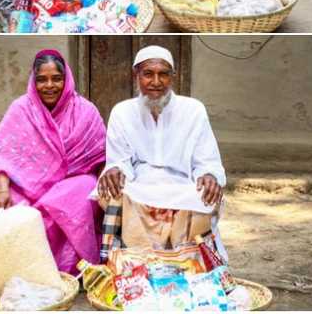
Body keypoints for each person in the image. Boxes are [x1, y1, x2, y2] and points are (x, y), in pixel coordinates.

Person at [0, 50, 106, 274]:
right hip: (27, 186)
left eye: (56, 79)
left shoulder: (85, 111)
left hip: (70, 185)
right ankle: (8, 269)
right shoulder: (21, 108)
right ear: (33, 81)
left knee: (82, 190)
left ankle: (65, 270)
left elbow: (102, 157)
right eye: (41, 79)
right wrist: (1, 190)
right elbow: (3, 153)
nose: (49, 85)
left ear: (67, 80)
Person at [95, 45, 228, 258]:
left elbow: (206, 158)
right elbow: (119, 159)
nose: (156, 82)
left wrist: (209, 174)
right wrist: (114, 168)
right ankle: (131, 263)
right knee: (112, 191)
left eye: (163, 74)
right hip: (140, 184)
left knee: (205, 195)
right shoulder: (122, 111)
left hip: (182, 183)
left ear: (172, 77)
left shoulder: (193, 110)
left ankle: (191, 264)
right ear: (136, 76)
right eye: (148, 74)